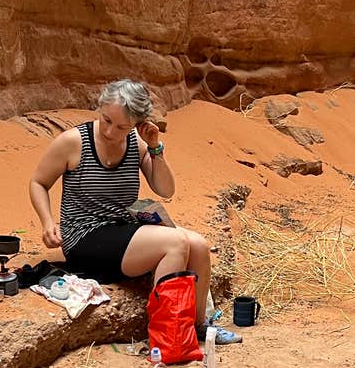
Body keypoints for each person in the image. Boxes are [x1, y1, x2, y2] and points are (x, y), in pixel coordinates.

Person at [28, 79, 241, 344]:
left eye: (122, 127)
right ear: (100, 108)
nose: (110, 131)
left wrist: (154, 147)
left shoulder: (135, 143)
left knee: (198, 245)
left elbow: (166, 189)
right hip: (84, 237)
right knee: (175, 243)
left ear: (137, 125)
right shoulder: (74, 142)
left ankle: (199, 326)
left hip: (121, 231)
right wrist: (47, 222)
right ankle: (167, 337)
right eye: (106, 120)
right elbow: (38, 182)